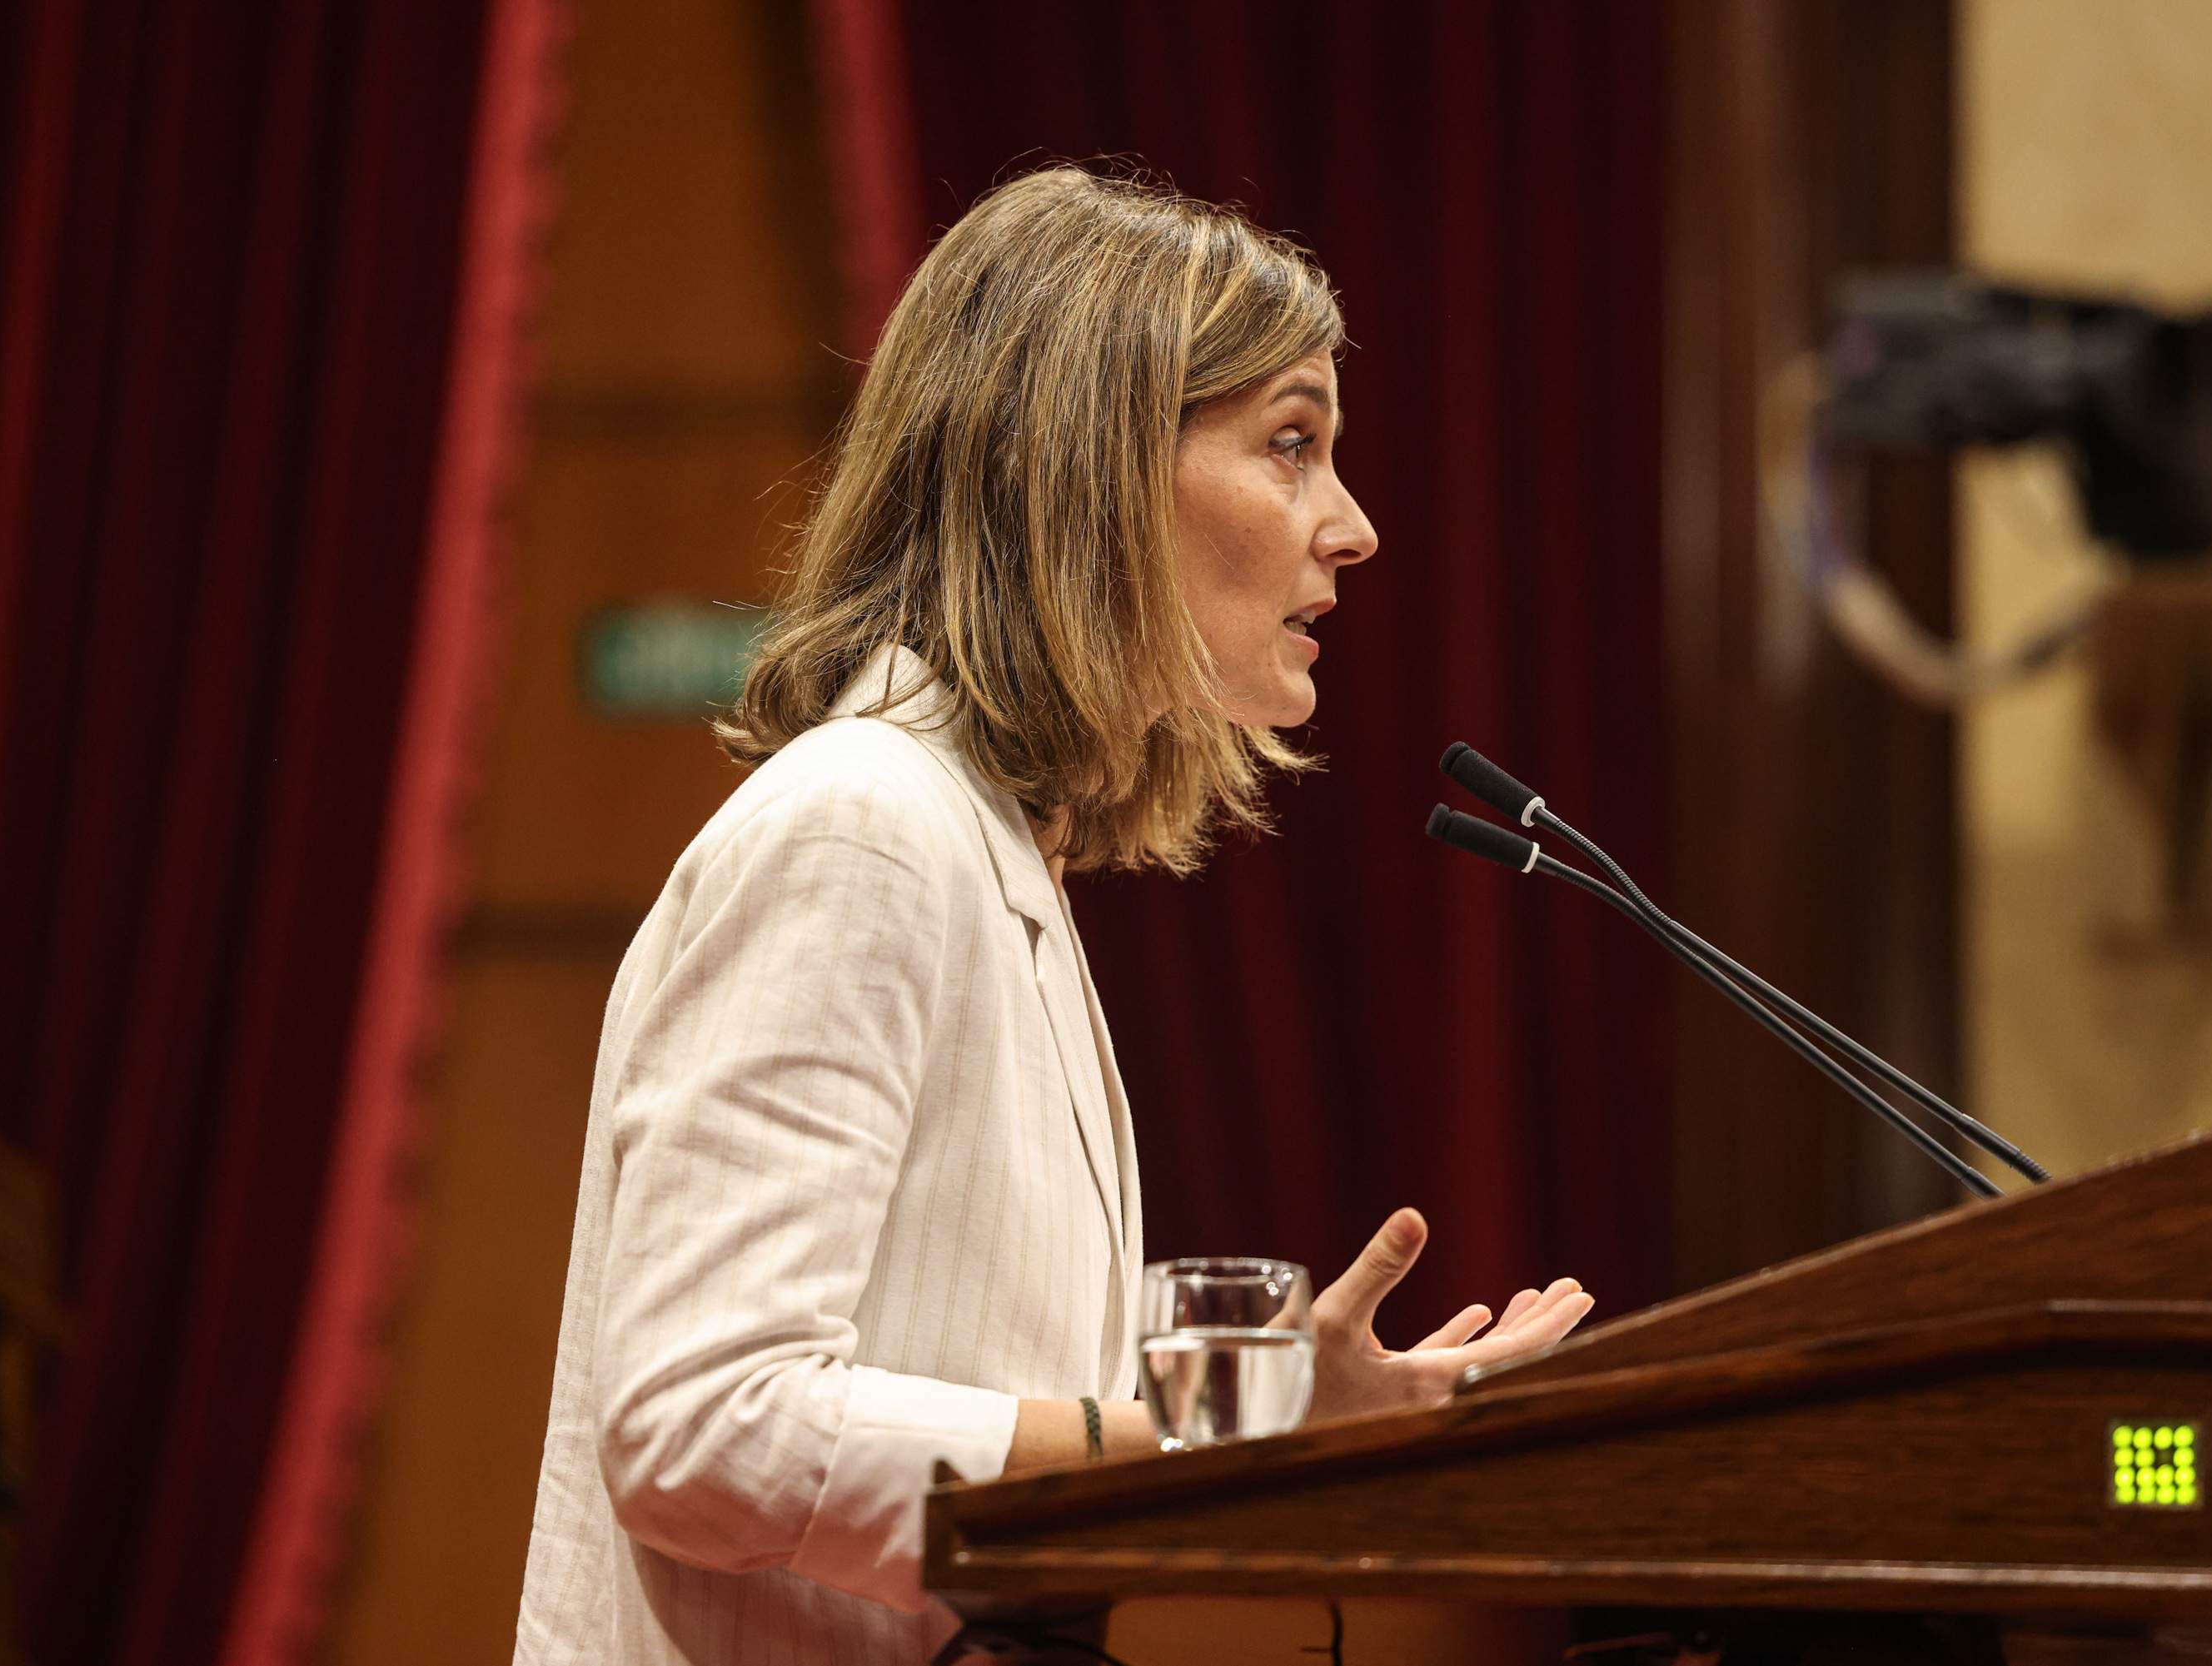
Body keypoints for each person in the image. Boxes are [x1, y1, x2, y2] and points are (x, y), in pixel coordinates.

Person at [514, 167, 1595, 1666]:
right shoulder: (865, 829)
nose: (1350, 527)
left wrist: (1258, 1444)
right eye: (1290, 444)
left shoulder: (980, 847)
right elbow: (705, 1424)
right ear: (1092, 468)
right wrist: (1218, 1434)